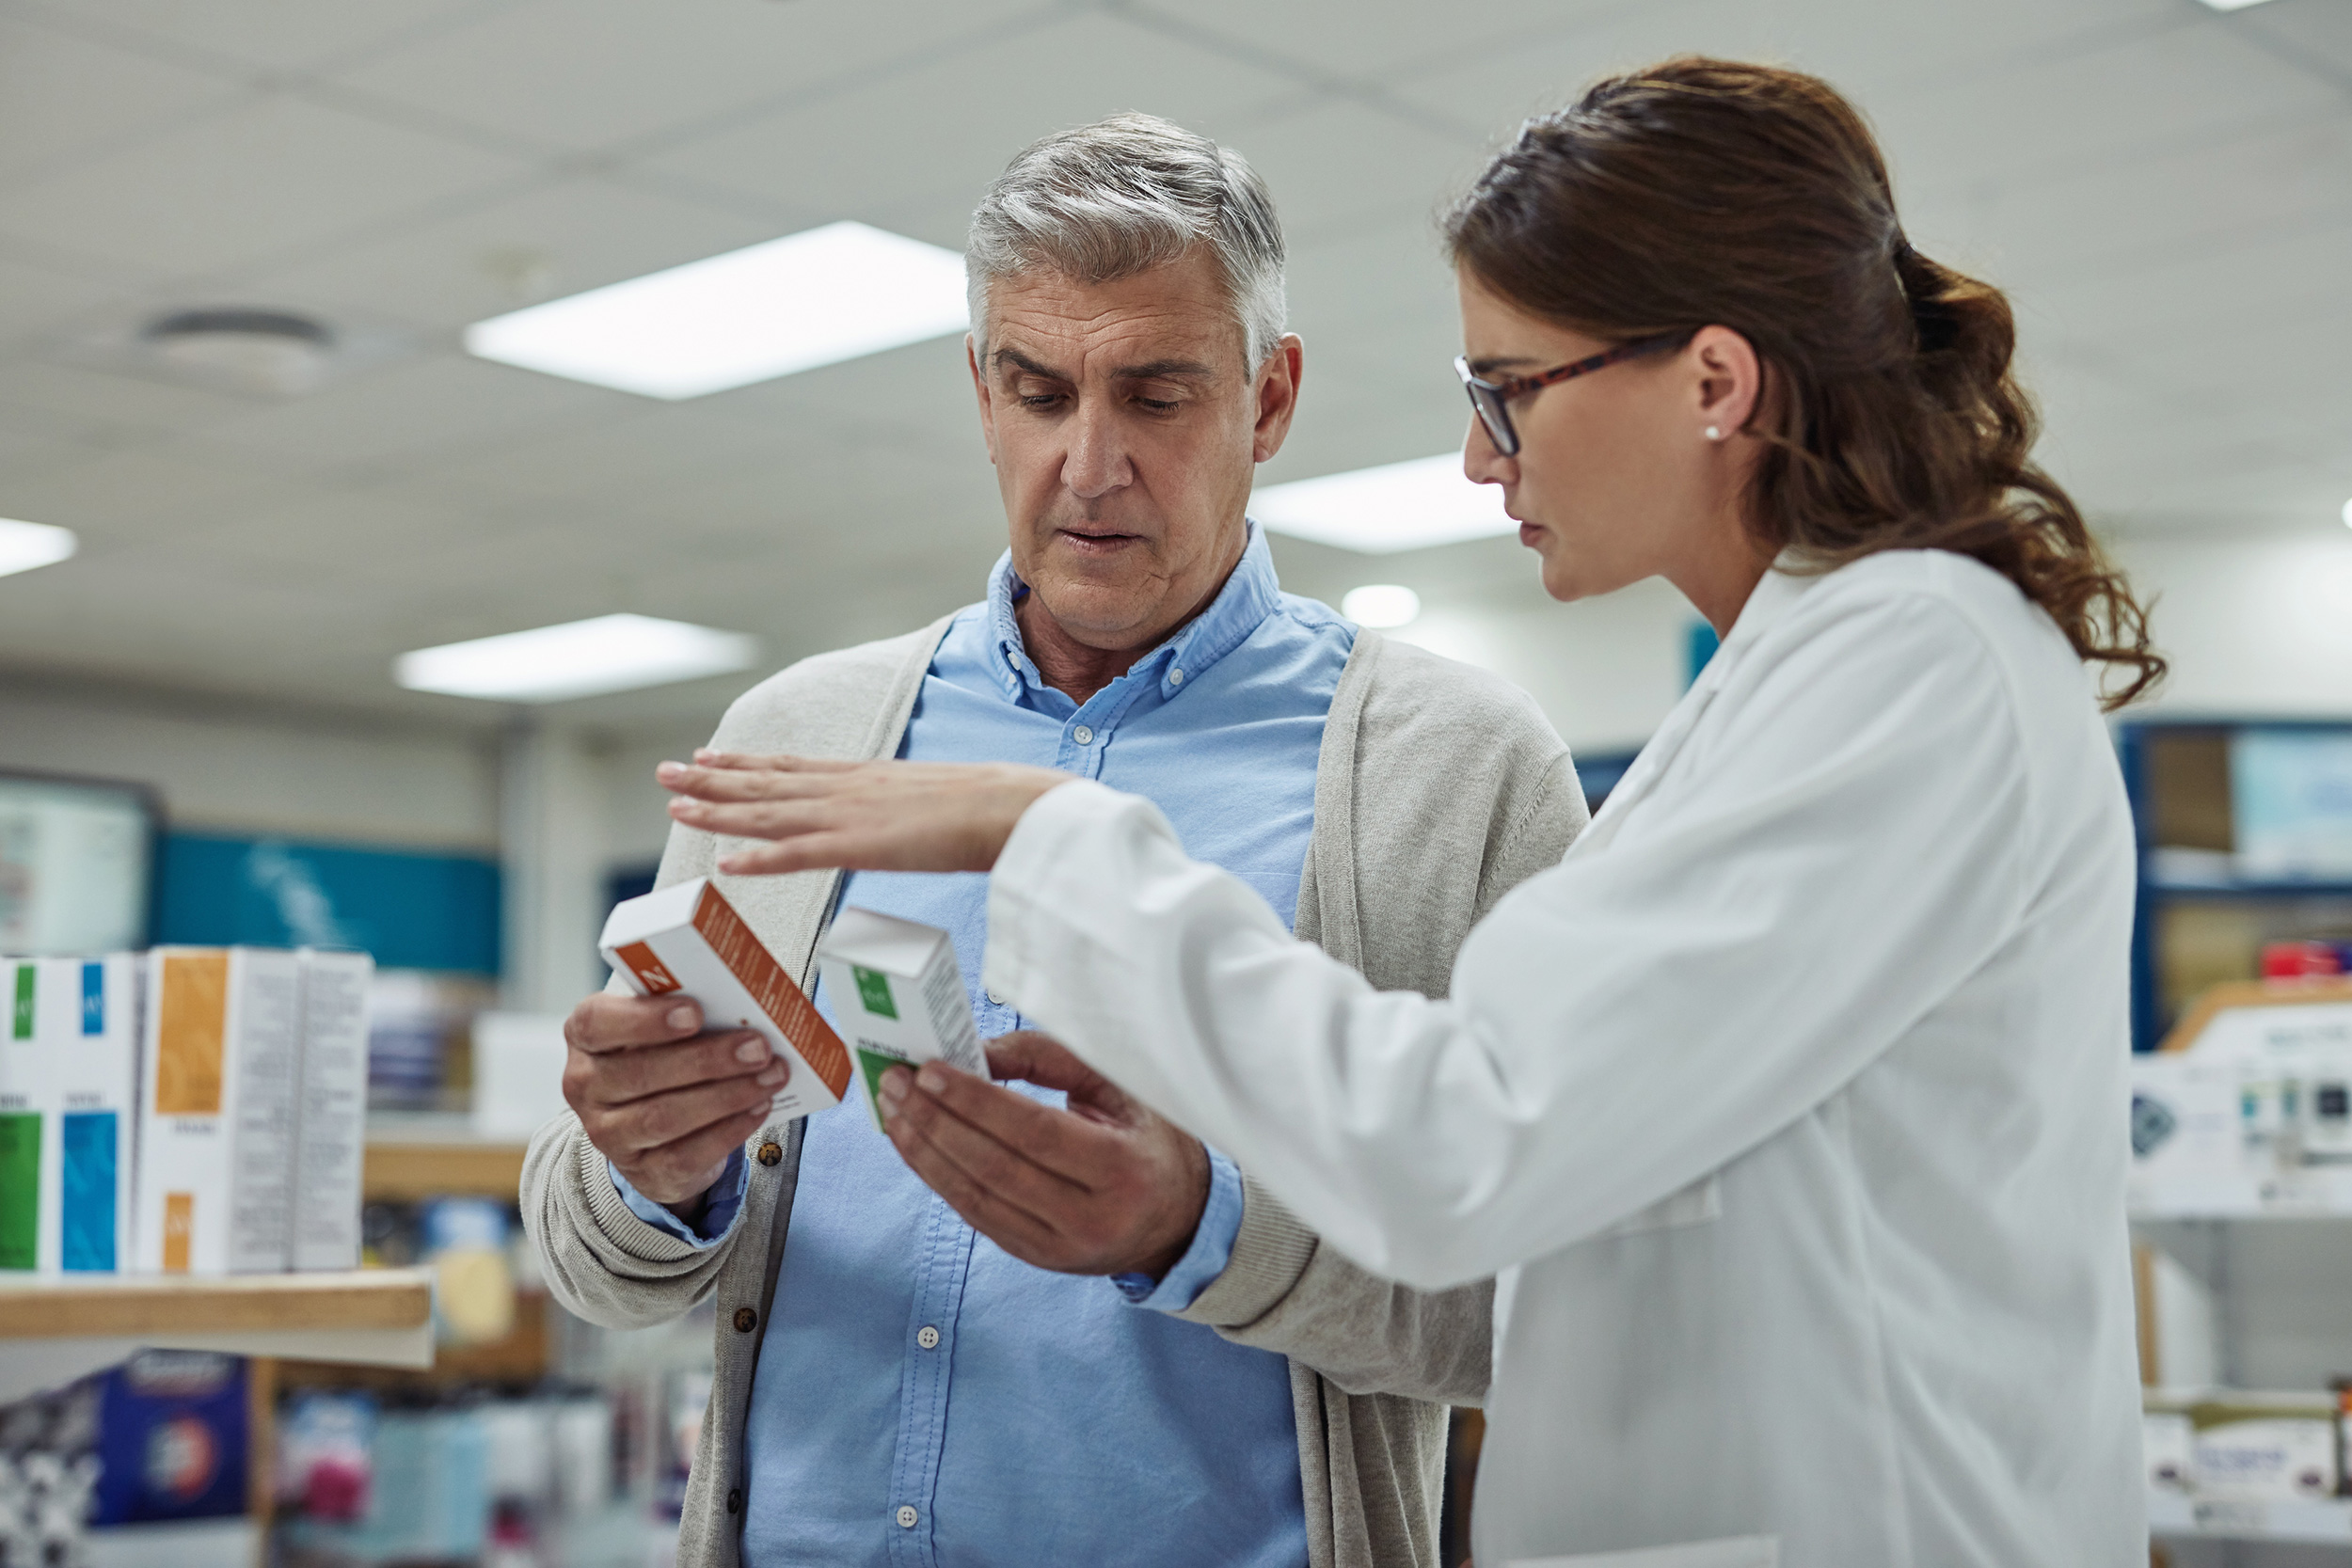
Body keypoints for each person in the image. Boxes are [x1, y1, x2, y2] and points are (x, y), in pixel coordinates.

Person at [658, 59, 2169, 1568]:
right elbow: (1540, 1162)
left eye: (1510, 390)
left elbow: (1463, 1148)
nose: (1478, 454)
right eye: (1040, 390)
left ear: (1713, 382)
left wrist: (1052, 841)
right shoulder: (1785, 693)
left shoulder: (1905, 670)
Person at [521, 114, 1589, 1568]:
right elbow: (595, 1266)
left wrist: (1199, 1228)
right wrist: (651, 1165)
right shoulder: (804, 734)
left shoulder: (1454, 773)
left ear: (1269, 400)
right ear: (980, 389)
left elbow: (1559, 1304)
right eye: (1038, 391)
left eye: (1156, 394)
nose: (1090, 465)